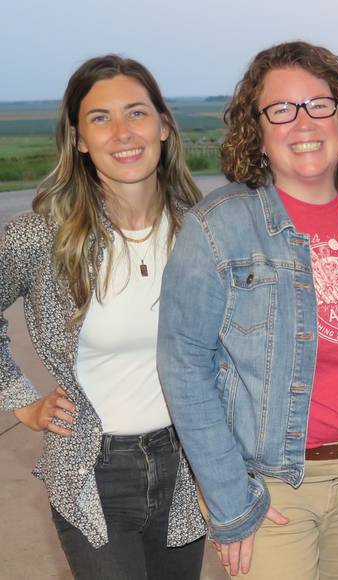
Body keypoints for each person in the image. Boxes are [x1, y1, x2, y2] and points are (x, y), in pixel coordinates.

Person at [157, 41, 338, 579]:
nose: (303, 122)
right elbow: (183, 365)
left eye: (319, 104)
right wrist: (229, 498)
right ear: (259, 130)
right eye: (281, 109)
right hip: (269, 487)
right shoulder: (218, 227)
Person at [0, 55, 206, 579]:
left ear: (163, 125)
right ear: (78, 139)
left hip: (189, 467)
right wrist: (21, 401)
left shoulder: (201, 231)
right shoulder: (43, 235)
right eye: (100, 118)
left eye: (136, 113)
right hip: (94, 472)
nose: (122, 132)